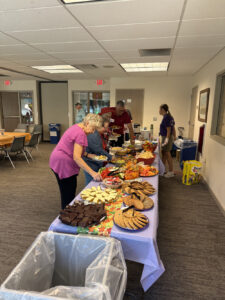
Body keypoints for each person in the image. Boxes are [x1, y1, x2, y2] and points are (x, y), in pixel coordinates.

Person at [49, 113, 102, 209]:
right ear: (87, 123)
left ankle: (67, 210)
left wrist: (87, 155)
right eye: (92, 128)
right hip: (63, 163)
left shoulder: (76, 127)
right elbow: (77, 157)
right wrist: (92, 173)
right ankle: (66, 216)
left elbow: (72, 147)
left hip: (57, 159)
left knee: (67, 191)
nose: (92, 131)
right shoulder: (80, 133)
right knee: (68, 193)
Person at [83, 117, 113, 185]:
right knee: (91, 182)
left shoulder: (97, 133)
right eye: (105, 127)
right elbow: (98, 150)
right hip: (90, 162)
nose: (106, 129)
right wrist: (111, 157)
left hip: (94, 161)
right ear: (99, 126)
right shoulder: (93, 135)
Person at [159, 104, 176, 178]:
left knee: (167, 153)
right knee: (164, 153)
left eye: (159, 109)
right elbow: (173, 128)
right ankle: (162, 170)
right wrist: (174, 136)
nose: (159, 111)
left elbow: (169, 130)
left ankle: (171, 171)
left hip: (167, 137)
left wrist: (166, 139)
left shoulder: (167, 117)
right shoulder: (169, 117)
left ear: (162, 109)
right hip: (167, 137)